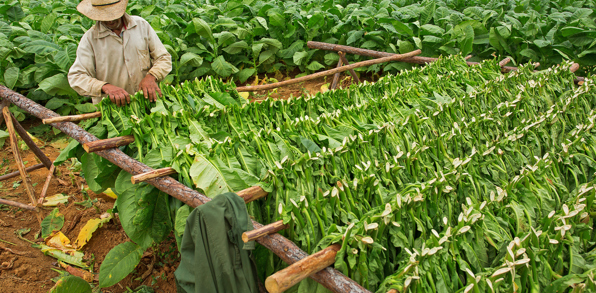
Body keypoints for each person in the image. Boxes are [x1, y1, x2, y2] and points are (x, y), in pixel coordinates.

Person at [68, 0, 172, 106]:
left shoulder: (141, 26)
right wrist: (105, 87)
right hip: (113, 110)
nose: (109, 21)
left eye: (112, 16)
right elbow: (76, 77)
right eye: (104, 17)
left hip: (147, 102)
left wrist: (151, 76)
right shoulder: (90, 39)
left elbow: (163, 57)